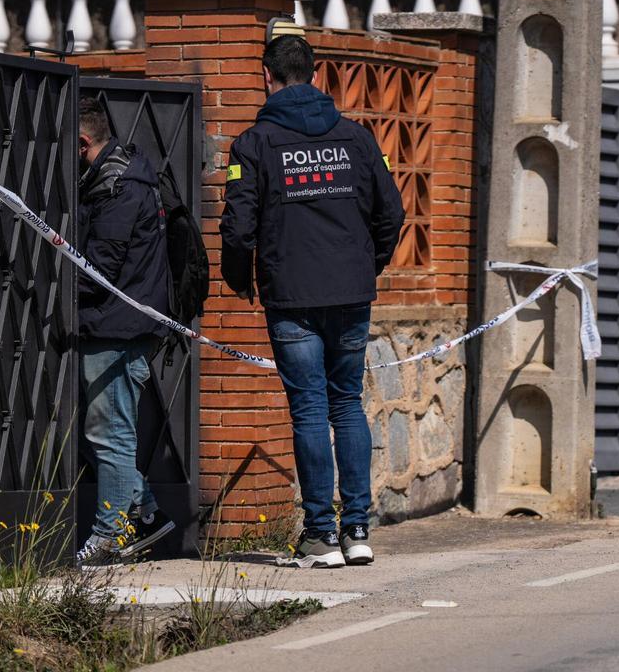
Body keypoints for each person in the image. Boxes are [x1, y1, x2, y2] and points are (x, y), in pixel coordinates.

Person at [220, 33, 405, 568]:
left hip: (292, 295)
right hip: (350, 293)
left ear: (266, 77)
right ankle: (358, 531)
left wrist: (242, 280)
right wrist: (367, 266)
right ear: (316, 75)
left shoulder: (254, 144)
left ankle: (321, 534)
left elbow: (237, 227)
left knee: (308, 408)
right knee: (347, 402)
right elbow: (390, 214)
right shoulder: (358, 138)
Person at [74, 96, 176, 569]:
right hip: (122, 323)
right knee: (106, 430)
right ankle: (148, 515)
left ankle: (110, 534)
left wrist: (53, 289)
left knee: (110, 435)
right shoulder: (126, 177)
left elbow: (99, 269)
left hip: (117, 326)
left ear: (82, 143)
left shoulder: (116, 189)